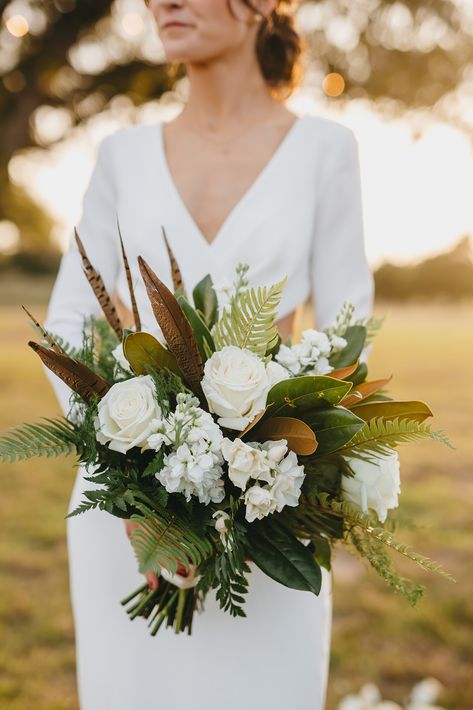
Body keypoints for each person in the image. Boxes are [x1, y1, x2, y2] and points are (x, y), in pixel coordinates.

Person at [42, 0, 374, 707]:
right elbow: (70, 317)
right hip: (126, 519)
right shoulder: (120, 156)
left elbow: (350, 331)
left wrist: (272, 467)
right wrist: (127, 461)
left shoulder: (324, 149)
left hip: (270, 505)